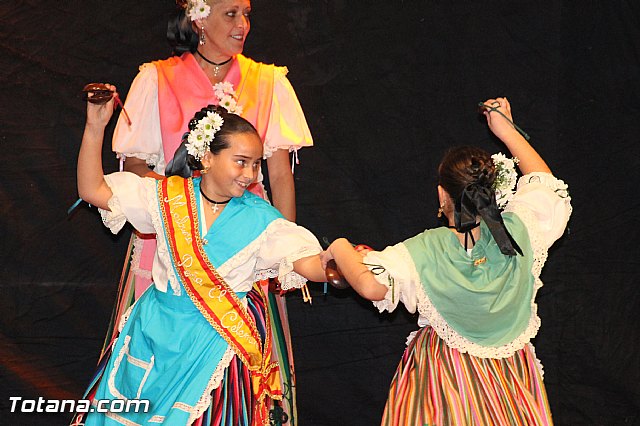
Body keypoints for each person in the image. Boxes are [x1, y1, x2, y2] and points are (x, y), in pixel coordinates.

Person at [104, 0, 314, 420]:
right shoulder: (156, 78)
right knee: (153, 355)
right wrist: (184, 211)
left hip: (245, 241)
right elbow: (136, 164)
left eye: (247, 14)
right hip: (174, 237)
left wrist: (288, 251)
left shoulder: (269, 81)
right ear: (199, 18)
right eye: (231, 14)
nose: (243, 25)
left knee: (235, 367)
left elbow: (281, 176)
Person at [74, 88, 326, 425]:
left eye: (255, 164)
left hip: (213, 347)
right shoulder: (166, 198)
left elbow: (303, 260)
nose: (250, 175)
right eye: (241, 162)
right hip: (153, 336)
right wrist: (95, 128)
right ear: (207, 157)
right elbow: (92, 190)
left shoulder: (260, 219)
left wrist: (333, 264)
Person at [322, 98, 572, 425]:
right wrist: (507, 131)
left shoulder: (429, 249)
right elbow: (545, 184)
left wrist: (339, 246)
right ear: (492, 191)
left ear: (443, 195)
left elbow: (370, 285)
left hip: (445, 378)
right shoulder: (520, 230)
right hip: (510, 377)